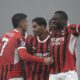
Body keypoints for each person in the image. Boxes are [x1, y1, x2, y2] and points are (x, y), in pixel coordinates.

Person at [0, 13, 53, 80]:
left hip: (3, 75)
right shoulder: (19, 37)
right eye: (26, 22)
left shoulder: (5, 35)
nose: (27, 24)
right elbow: (24, 56)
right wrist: (44, 60)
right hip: (15, 75)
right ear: (21, 24)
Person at [49, 11, 79, 80]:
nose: (53, 21)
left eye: (56, 19)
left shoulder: (71, 29)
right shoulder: (51, 31)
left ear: (64, 20)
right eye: (53, 19)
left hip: (68, 73)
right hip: (53, 74)